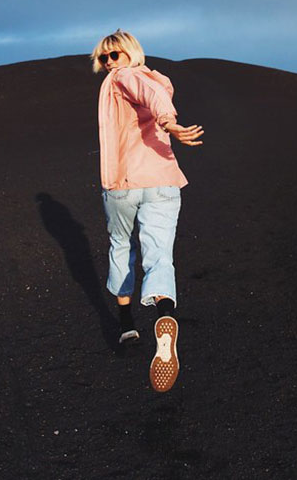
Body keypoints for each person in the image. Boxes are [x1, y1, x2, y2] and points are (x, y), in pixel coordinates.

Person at [91, 30, 203, 393]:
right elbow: (154, 94)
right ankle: (165, 317)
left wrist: (169, 122)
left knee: (121, 246)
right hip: (164, 181)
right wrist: (168, 124)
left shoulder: (123, 78)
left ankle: (126, 325)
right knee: (160, 256)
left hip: (124, 183)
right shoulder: (158, 80)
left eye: (116, 54)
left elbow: (147, 95)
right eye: (104, 57)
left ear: (131, 53)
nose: (110, 62)